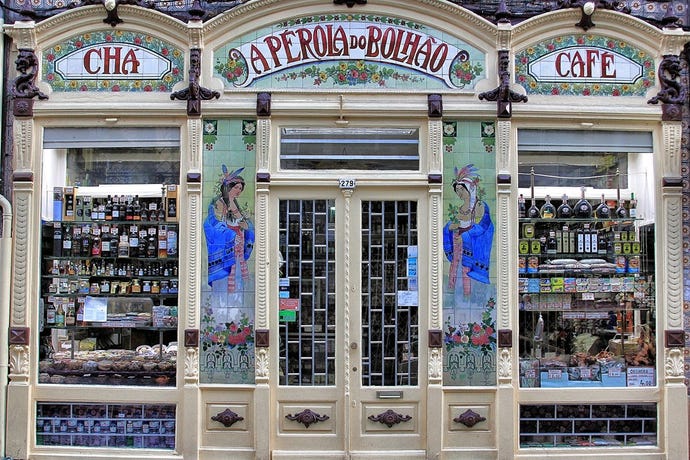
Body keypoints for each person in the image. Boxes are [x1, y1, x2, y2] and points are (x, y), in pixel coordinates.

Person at [443, 164, 494, 294]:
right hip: (457, 239)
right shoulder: (460, 209)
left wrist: (465, 235)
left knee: (466, 267)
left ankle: (467, 294)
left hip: (468, 242)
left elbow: (483, 225)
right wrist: (450, 227)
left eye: (461, 190)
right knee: (454, 265)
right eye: (457, 190)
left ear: (470, 189)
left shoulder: (479, 206)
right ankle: (451, 291)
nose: (459, 193)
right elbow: (453, 223)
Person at [204, 165, 255, 293]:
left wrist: (246, 226)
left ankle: (237, 301)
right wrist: (231, 234)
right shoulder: (219, 203)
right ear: (229, 187)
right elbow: (214, 224)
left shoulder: (235, 203)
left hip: (238, 243)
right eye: (236, 187)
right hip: (228, 244)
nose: (239, 191)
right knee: (227, 274)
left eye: (240, 188)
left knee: (238, 273)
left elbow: (244, 223)